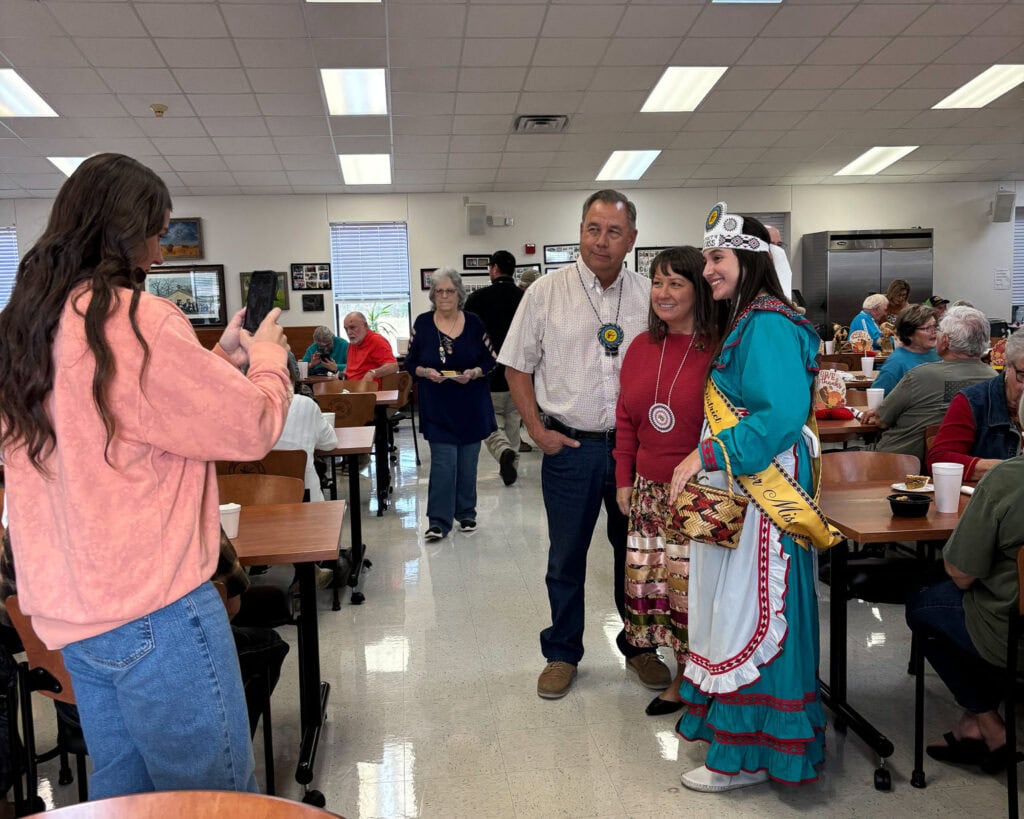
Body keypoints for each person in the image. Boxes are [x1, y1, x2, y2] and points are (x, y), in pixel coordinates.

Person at [0, 153, 291, 799]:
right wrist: (268, 360)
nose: (160, 252)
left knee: (125, 795)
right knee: (210, 800)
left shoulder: (27, 327)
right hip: (157, 611)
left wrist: (213, 362)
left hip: (77, 613)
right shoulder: (137, 321)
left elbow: (117, 421)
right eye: (156, 233)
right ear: (122, 233)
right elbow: (252, 427)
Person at [668, 202, 835, 792]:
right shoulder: (756, 317)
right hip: (754, 491)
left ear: (749, 258)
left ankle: (755, 755)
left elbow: (780, 416)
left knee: (757, 616)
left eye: (716, 258)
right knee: (754, 613)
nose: (707, 269)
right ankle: (752, 744)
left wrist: (705, 455)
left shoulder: (765, 322)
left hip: (766, 496)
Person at [500, 189, 668, 700]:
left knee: (636, 553)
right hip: (570, 448)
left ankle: (639, 646)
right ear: (580, 231)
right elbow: (516, 365)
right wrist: (536, 429)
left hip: (635, 453)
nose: (601, 240)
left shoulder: (651, 296)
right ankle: (561, 653)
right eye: (593, 228)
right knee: (566, 555)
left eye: (614, 231)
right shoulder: (545, 293)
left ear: (632, 239)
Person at [614, 247, 719, 717]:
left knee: (695, 590)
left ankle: (698, 679)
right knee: (661, 590)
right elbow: (625, 421)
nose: (663, 292)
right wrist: (624, 479)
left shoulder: (719, 348)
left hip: (702, 492)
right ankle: (682, 676)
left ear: (700, 289)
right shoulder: (640, 347)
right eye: (657, 282)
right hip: (649, 491)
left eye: (676, 283)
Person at [905, 398, 1024, 773]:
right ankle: (975, 723)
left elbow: (960, 572)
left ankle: (986, 721)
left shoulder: (1009, 477)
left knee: (925, 605)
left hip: (1012, 630)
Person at [405, 269, 497, 541]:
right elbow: (410, 362)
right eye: (439, 291)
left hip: (471, 403)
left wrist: (475, 373)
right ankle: (438, 521)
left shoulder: (474, 322)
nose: (444, 296)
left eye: (450, 290)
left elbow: (491, 360)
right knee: (444, 463)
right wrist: (424, 372)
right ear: (433, 295)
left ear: (459, 294)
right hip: (437, 405)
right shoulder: (422, 323)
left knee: (468, 463)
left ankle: (466, 513)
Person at [862, 306, 996, 463]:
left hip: (902, 465)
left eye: (937, 330)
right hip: (967, 466)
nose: (934, 334)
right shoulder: (994, 380)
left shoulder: (920, 376)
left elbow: (882, 420)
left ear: (945, 341)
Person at [927, 330, 1023, 480]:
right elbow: (940, 460)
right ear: (1007, 366)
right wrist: (1007, 469)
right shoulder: (974, 401)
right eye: (1023, 376)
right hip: (990, 498)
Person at [465, 250, 525, 486]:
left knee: (490, 424)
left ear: (494, 269)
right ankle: (512, 467)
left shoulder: (477, 299)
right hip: (519, 372)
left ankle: (503, 454)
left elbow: (467, 336)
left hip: (487, 373)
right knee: (513, 420)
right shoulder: (524, 297)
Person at [273, 358, 338, 502]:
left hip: (252, 503)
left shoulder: (238, 411)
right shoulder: (305, 405)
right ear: (291, 377)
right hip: (305, 498)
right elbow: (330, 443)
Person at [872, 304, 941, 395]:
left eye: (935, 327)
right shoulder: (896, 364)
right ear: (909, 333)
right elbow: (878, 398)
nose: (934, 332)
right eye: (927, 328)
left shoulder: (938, 354)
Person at [342, 312, 398, 384]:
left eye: (352, 327)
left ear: (365, 326)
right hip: (351, 389)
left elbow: (393, 366)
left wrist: (372, 373)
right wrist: (343, 373)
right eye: (346, 329)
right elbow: (351, 368)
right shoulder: (353, 343)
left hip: (370, 392)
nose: (349, 332)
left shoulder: (376, 341)